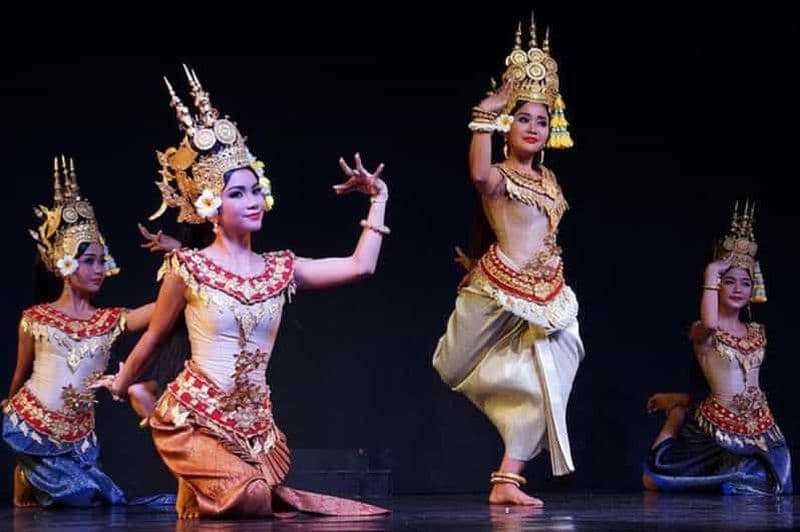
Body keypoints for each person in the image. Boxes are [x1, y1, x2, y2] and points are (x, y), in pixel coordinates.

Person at [100, 66, 390, 518]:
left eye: (256, 190)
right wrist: (122, 386)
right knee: (253, 496)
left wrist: (378, 199)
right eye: (238, 194)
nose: (252, 200)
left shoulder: (279, 268)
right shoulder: (187, 267)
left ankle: (201, 492)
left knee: (253, 496)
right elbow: (154, 338)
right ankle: (206, 480)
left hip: (256, 429)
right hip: (190, 419)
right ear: (212, 207)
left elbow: (360, 266)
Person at [432, 16, 584, 506]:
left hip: (550, 296)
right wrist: (484, 112)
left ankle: (506, 481)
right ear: (507, 126)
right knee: (453, 363)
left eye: (542, 120)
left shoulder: (551, 179)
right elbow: (477, 177)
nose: (534, 128)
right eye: (523, 118)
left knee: (549, 385)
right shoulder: (498, 175)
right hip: (503, 288)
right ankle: (505, 479)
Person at [643, 201, 792, 495]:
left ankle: (684, 401)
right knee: (656, 478)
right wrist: (712, 271)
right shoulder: (704, 332)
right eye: (728, 281)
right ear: (716, 286)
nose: (738, 289)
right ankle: (677, 412)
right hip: (717, 427)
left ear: (752, 292)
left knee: (771, 482)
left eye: (745, 283)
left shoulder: (757, 331)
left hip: (761, 426)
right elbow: (711, 323)